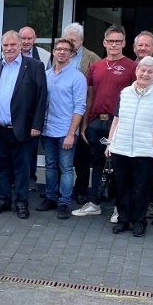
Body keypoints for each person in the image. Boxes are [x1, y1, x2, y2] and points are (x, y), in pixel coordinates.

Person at [0, 30, 47, 219]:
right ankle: (3, 199)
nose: (8, 49)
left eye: (12, 45)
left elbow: (41, 98)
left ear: (20, 46)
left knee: (22, 167)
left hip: (22, 127)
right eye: (5, 45)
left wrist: (37, 124)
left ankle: (22, 202)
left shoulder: (34, 66)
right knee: (1, 166)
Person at [72, 25, 136, 217]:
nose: (114, 45)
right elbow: (89, 96)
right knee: (98, 164)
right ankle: (94, 202)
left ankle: (120, 207)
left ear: (124, 43)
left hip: (118, 123)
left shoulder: (132, 67)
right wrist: (84, 125)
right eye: (110, 41)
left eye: (118, 41)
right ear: (104, 43)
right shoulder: (95, 66)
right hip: (95, 123)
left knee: (118, 166)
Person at [106, 57, 153, 237]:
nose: (145, 74)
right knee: (122, 186)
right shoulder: (125, 93)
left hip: (144, 151)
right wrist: (110, 143)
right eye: (143, 70)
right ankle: (123, 220)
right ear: (136, 71)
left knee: (141, 188)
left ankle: (139, 221)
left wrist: (152, 140)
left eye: (150, 72)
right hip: (121, 147)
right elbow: (116, 120)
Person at [36, 38, 86, 219]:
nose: (62, 52)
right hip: (48, 130)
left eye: (66, 50)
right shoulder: (46, 75)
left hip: (66, 131)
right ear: (54, 52)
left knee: (65, 168)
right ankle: (50, 197)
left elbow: (79, 107)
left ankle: (64, 202)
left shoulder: (77, 77)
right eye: (59, 49)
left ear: (72, 54)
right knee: (50, 166)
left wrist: (71, 133)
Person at [63, 22, 100, 206]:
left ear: (82, 40)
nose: (70, 43)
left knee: (82, 156)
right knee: (62, 154)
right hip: (61, 111)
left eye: (73, 40)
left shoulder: (93, 58)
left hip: (83, 111)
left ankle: (81, 190)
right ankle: (62, 190)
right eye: (67, 39)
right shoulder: (59, 56)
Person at [132, 31, 153, 220]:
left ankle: (150, 203)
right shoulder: (128, 66)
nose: (143, 48)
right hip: (130, 127)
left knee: (149, 169)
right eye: (140, 45)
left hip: (151, 129)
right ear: (134, 47)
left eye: (147, 45)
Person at [19, 26, 50, 191]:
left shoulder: (45, 56)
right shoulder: (10, 55)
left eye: (29, 39)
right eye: (22, 38)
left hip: (32, 110)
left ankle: (31, 178)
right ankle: (14, 178)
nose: (25, 42)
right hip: (14, 110)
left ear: (34, 39)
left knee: (31, 149)